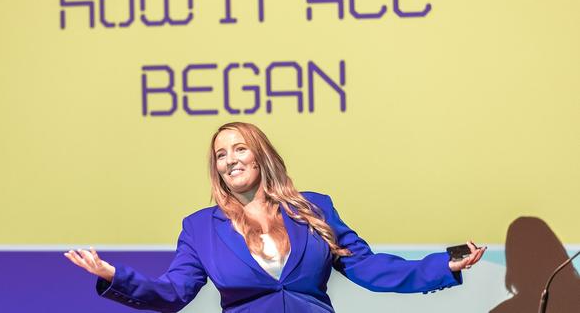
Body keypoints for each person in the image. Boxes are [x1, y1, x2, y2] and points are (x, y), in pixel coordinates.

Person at [64, 122, 485, 312]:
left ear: (261, 155)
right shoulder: (199, 228)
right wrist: (112, 275)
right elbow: (173, 293)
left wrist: (442, 265)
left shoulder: (314, 208)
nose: (231, 161)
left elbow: (369, 267)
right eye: (221, 155)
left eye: (240, 149)